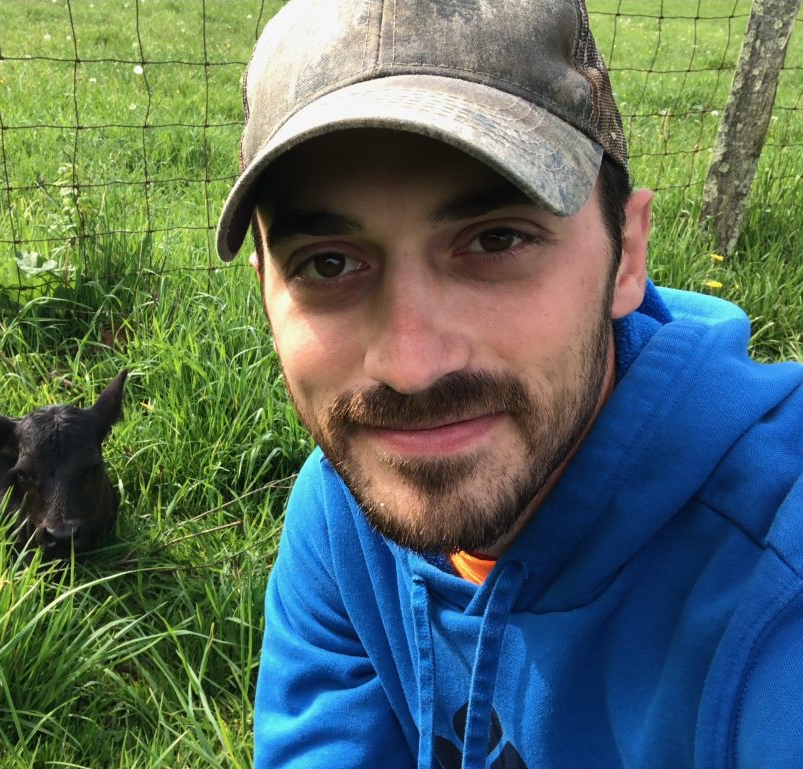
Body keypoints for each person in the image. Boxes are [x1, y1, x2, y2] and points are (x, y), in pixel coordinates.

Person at [215, 1, 803, 767]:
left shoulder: (772, 581)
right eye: (328, 263)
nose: (410, 365)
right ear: (266, 289)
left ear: (627, 255)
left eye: (496, 240)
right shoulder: (345, 516)